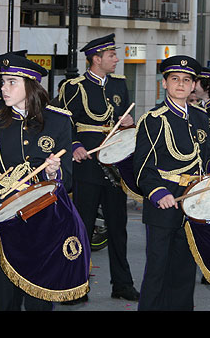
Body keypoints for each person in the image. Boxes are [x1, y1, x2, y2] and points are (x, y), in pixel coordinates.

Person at [0, 52, 76, 310]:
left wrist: (53, 174)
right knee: (5, 302)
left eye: (12, 82)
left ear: (31, 84)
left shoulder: (58, 121)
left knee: (40, 302)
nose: (4, 88)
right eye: (2, 82)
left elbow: (67, 181)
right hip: (0, 223)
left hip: (41, 223)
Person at [134, 55, 210, 311]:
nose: (180, 84)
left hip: (194, 202)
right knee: (157, 270)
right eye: (174, 79)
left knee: (185, 270)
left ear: (193, 85)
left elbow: (204, 157)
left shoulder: (200, 117)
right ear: (164, 83)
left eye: (187, 80)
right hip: (165, 202)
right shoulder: (153, 119)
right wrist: (158, 193)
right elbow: (142, 166)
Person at [57, 33, 139, 302]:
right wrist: (75, 145)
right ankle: (75, 284)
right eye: (112, 55)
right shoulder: (74, 86)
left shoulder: (119, 85)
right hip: (88, 166)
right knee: (83, 226)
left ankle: (122, 284)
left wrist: (128, 123)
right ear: (96, 59)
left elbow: (125, 122)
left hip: (115, 166)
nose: (116, 59)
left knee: (118, 227)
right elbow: (63, 123)